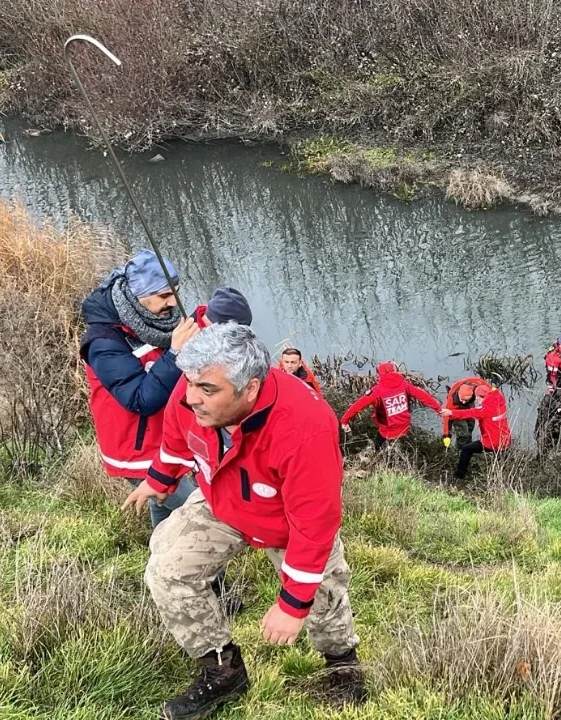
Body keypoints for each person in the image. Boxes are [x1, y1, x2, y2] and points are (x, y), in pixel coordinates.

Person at [124, 324, 363, 719]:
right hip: (224, 502)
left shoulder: (305, 427)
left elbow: (315, 521)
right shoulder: (189, 397)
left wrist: (291, 603)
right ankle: (223, 669)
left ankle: (343, 665)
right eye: (189, 382)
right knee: (167, 569)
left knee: (324, 596)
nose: (190, 398)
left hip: (287, 523)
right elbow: (176, 439)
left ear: (249, 389)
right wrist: (159, 479)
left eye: (208, 390)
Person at [80, 249, 200, 528]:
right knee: (199, 512)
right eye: (163, 295)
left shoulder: (158, 321)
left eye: (176, 292)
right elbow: (139, 399)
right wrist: (175, 352)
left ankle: (161, 563)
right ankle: (200, 571)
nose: (173, 302)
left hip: (166, 440)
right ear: (138, 294)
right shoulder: (103, 342)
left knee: (166, 512)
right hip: (135, 451)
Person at [339, 362, 441, 450]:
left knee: (377, 448)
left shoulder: (376, 392)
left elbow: (357, 406)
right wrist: (438, 408)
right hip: (405, 427)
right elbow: (424, 396)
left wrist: (344, 421)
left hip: (386, 431)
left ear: (379, 374)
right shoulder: (404, 385)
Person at [441, 384, 512, 480]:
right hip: (506, 440)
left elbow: (468, 413)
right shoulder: (500, 400)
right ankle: (503, 474)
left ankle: (459, 475)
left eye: (478, 398)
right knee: (499, 454)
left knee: (466, 449)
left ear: (482, 397)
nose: (477, 401)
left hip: (492, 443)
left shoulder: (484, 409)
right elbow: (494, 390)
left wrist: (451, 412)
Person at [442, 376, 493, 448]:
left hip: (469, 406)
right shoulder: (451, 401)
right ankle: (460, 450)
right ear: (459, 394)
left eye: (465, 400)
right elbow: (446, 417)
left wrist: (492, 390)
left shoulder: (475, 385)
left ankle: (468, 447)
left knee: (470, 427)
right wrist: (446, 435)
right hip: (456, 410)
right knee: (463, 433)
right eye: (462, 399)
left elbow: (483, 384)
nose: (463, 402)